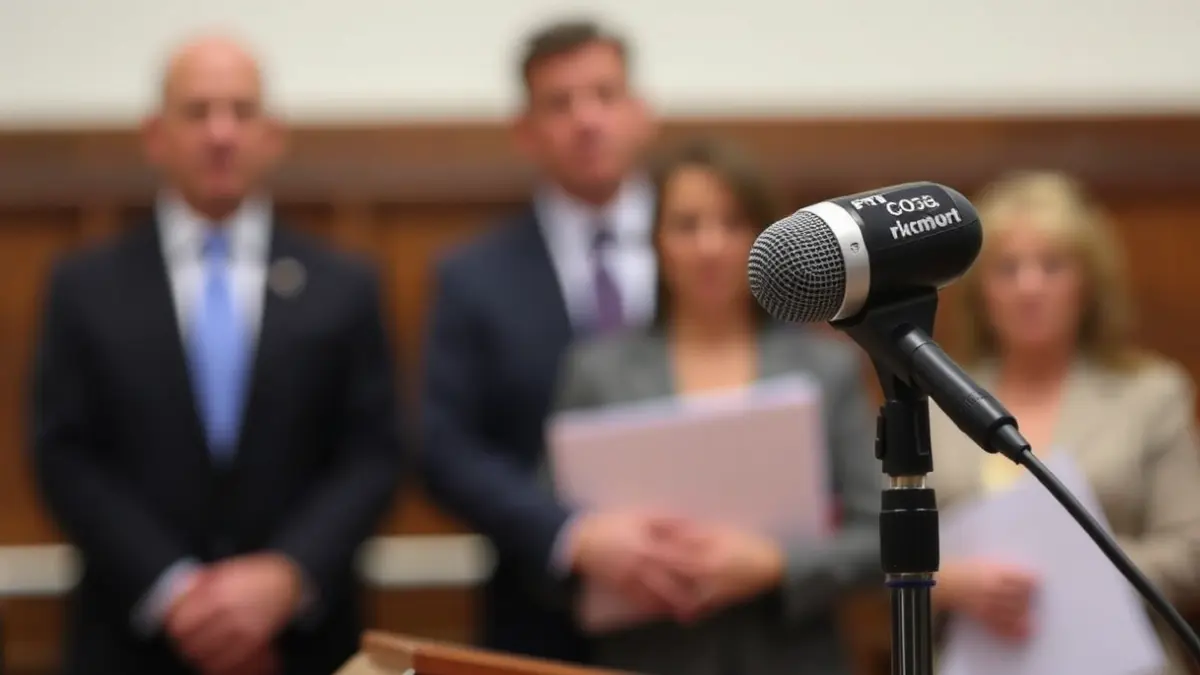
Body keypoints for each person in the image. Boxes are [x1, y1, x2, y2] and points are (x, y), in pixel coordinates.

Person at [29, 35, 404, 675]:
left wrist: (286, 576)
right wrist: (175, 592)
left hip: (304, 643)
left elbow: (375, 451)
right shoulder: (85, 286)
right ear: (155, 134)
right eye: (198, 112)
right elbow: (63, 453)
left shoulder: (344, 283)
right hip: (132, 640)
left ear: (273, 135)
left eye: (241, 111)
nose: (221, 133)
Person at [549, 138, 881, 675]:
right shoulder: (598, 371)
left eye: (732, 223)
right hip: (648, 654)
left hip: (794, 655)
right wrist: (609, 549)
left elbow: (881, 536)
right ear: (656, 241)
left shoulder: (825, 367)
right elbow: (552, 527)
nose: (710, 246)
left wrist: (775, 564)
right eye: (687, 225)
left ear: (764, 239)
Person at [420, 19, 661, 662]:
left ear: (642, 114)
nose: (587, 120)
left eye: (605, 96)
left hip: (711, 608)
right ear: (525, 131)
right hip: (543, 615)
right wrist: (569, 534)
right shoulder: (473, 276)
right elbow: (443, 446)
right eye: (560, 103)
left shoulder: (711, 249)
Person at [929, 171, 1200, 674]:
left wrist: (1076, 572)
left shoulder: (1151, 394)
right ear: (980, 292)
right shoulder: (935, 402)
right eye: (1007, 269)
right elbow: (886, 556)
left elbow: (1191, 550)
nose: (1029, 286)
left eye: (1052, 266)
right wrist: (946, 581)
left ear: (1088, 283)